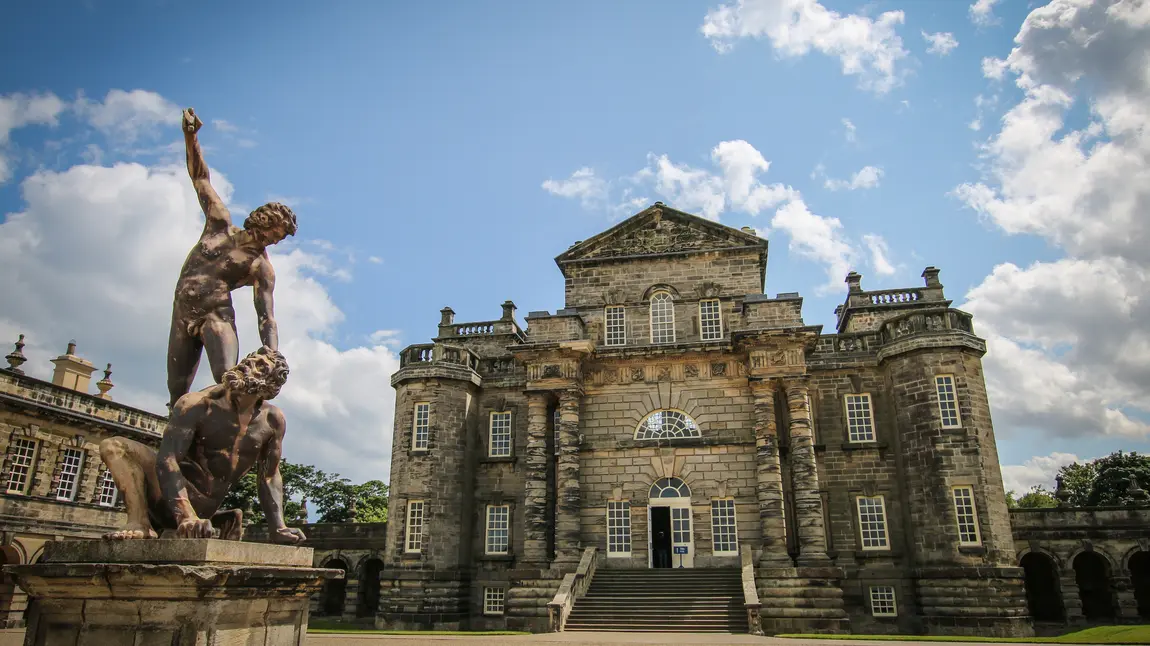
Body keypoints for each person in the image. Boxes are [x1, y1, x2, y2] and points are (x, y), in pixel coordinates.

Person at [100, 346, 305, 544]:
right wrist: (186, 515)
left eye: (260, 365)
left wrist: (278, 527)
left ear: (271, 385)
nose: (249, 364)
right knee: (113, 446)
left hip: (204, 510)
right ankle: (138, 522)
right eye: (248, 360)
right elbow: (167, 460)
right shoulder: (197, 404)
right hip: (170, 497)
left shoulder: (272, 420)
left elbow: (269, 476)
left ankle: (218, 517)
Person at [167, 107, 297, 409]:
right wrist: (191, 137)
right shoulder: (218, 224)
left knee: (228, 381)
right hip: (182, 311)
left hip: (216, 315)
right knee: (177, 392)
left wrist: (271, 352)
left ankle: (230, 437)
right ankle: (184, 449)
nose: (275, 240)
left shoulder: (260, 267)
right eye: (276, 232)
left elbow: (266, 316)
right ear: (262, 220)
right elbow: (200, 178)